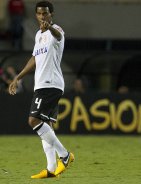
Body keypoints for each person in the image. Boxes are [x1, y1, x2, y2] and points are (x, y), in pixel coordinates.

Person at [8, 1, 74, 179]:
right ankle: (51, 169)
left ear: (51, 14)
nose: (42, 16)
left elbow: (58, 36)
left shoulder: (56, 31)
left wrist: (50, 26)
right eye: (39, 14)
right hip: (42, 84)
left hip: (50, 84)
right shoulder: (38, 35)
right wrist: (18, 77)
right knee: (47, 127)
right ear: (36, 15)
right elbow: (35, 58)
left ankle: (65, 155)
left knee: (33, 121)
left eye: (45, 13)